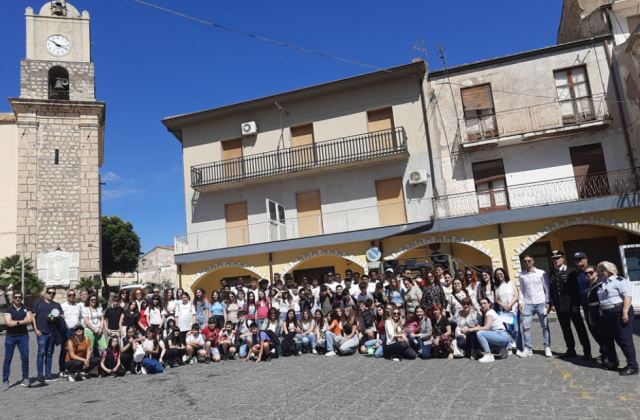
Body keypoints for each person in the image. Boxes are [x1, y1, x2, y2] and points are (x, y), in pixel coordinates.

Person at [596, 261, 638, 376]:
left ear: (609, 270)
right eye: (599, 270)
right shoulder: (602, 282)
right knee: (608, 338)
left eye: (602, 270)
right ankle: (613, 362)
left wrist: (625, 313)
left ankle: (632, 366)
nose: (599, 272)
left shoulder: (619, 280)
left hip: (619, 311)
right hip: (606, 313)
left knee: (624, 340)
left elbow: (627, 297)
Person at [548, 250, 591, 360]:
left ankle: (587, 352)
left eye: (558, 258)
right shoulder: (552, 273)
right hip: (560, 306)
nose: (556, 260)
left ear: (563, 259)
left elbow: (576, 289)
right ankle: (571, 349)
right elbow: (552, 289)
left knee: (580, 328)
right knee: (565, 329)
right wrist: (552, 303)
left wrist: (577, 303)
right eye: (554, 259)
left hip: (572, 305)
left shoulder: (572, 271)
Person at [574, 252, 607, 362]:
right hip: (586, 306)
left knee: (601, 330)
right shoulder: (578, 273)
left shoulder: (592, 270)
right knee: (593, 330)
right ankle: (604, 352)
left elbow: (600, 285)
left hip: (596, 305)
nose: (578, 261)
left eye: (580, 259)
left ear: (586, 259)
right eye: (576, 260)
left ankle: (608, 355)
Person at [517, 255, 551, 358]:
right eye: (525, 261)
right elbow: (522, 290)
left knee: (545, 326)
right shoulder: (522, 275)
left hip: (541, 302)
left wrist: (548, 301)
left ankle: (547, 347)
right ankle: (528, 348)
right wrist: (520, 302)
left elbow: (547, 288)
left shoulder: (541, 273)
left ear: (533, 261)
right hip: (528, 303)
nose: (527, 263)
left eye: (529, 261)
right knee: (525, 326)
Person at [33, 287, 65, 383]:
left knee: (49, 354)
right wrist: (35, 329)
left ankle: (48, 373)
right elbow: (33, 317)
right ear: (46, 293)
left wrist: (55, 317)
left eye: (53, 293)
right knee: (41, 353)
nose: (51, 295)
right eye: (50, 293)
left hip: (52, 333)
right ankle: (40, 375)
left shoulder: (57, 305)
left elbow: (61, 316)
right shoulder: (38, 303)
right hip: (42, 332)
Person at [463, 297, 510, 363]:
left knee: (480, 333)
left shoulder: (489, 313)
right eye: (481, 304)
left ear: (489, 304)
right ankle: (500, 349)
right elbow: (485, 328)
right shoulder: (488, 313)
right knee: (481, 340)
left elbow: (487, 328)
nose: (483, 305)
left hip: (501, 335)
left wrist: (472, 329)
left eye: (485, 303)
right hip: (501, 337)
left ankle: (489, 355)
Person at [3, 292, 32, 388]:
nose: (18, 299)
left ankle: (26, 378)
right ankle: (5, 381)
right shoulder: (8, 309)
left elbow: (29, 321)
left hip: (23, 336)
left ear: (22, 298)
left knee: (25, 357)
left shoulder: (26, 308)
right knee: (8, 359)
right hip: (11, 336)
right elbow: (8, 323)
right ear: (13, 299)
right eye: (16, 297)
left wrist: (15, 322)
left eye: (20, 297)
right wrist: (21, 321)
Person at [584, 266, 609, 366]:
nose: (588, 275)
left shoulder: (600, 284)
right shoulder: (588, 284)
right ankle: (603, 353)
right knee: (596, 333)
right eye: (586, 273)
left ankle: (609, 356)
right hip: (591, 311)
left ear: (595, 273)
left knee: (604, 335)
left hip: (599, 312)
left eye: (590, 272)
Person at [494, 268, 521, 352]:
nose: (499, 275)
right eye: (497, 274)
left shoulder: (511, 283)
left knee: (516, 329)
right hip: (504, 310)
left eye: (500, 273)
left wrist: (510, 305)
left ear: (504, 273)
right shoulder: (496, 286)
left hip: (513, 309)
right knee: (508, 329)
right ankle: (512, 344)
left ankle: (519, 346)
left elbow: (516, 295)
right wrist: (504, 306)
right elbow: (497, 299)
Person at [60, 288, 82, 378]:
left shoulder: (78, 306)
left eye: (73, 295)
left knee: (76, 350)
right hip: (67, 331)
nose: (72, 296)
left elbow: (80, 317)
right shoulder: (62, 306)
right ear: (67, 296)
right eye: (70, 295)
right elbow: (56, 316)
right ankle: (62, 370)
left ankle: (74, 369)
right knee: (64, 351)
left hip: (76, 331)